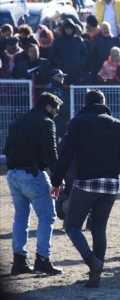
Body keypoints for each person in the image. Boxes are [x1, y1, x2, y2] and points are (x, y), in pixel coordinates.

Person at [50, 89, 120, 288]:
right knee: (99, 229)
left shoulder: (78, 122)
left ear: (86, 104)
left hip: (86, 182)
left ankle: (91, 261)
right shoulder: (118, 125)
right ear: (103, 103)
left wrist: (56, 181)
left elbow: (66, 153)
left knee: (71, 226)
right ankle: (95, 276)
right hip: (111, 184)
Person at [4, 92, 64, 276]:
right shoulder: (46, 123)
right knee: (47, 216)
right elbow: (51, 152)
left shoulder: (17, 122)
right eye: (56, 109)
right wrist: (58, 178)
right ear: (48, 107)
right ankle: (43, 259)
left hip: (13, 173)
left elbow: (6, 149)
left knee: (21, 217)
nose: (56, 113)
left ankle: (19, 260)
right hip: (34, 173)